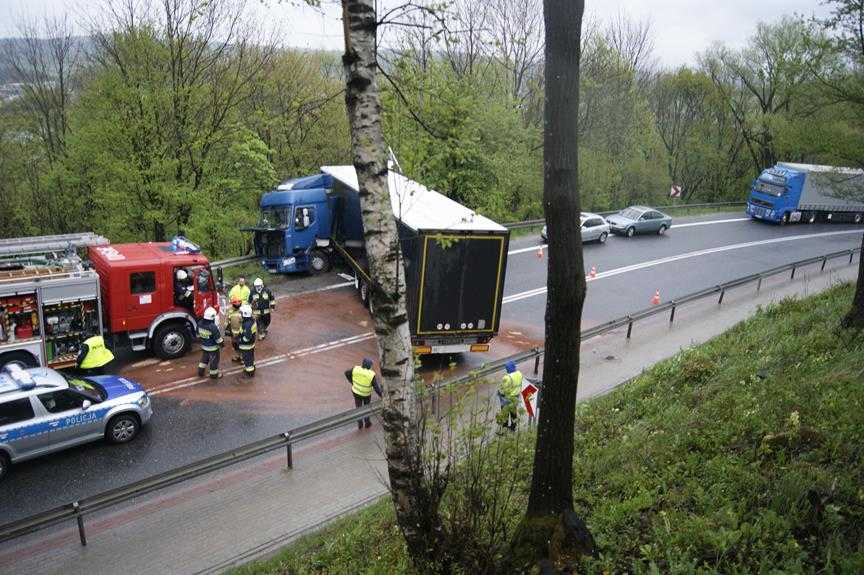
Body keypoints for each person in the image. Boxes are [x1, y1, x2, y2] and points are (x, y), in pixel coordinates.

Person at [344, 358, 382, 429]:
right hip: (366, 394)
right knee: (366, 408)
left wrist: (352, 382)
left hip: (356, 392)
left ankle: (360, 424)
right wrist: (382, 396)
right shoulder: (371, 374)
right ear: (370, 366)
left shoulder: (355, 369)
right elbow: (376, 388)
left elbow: (346, 373)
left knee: (358, 408)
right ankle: (367, 423)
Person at [197, 306, 223, 379]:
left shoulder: (199, 323)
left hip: (204, 346)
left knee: (204, 359)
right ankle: (214, 374)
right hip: (213, 348)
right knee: (214, 361)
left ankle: (200, 371)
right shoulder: (213, 327)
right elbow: (218, 339)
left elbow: (198, 335)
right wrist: (222, 345)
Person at [497, 360, 522, 432]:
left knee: (505, 414)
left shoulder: (507, 378)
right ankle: (513, 427)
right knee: (514, 413)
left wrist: (499, 393)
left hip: (507, 398)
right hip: (516, 397)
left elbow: (503, 390)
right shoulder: (519, 374)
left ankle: (504, 429)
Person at [238, 304, 257, 378]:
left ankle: (250, 372)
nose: (240, 315)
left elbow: (247, 337)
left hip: (246, 346)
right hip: (250, 345)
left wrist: (240, 340)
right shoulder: (250, 321)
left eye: (241, 313)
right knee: (250, 357)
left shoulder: (247, 325)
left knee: (247, 359)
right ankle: (252, 366)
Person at [226, 296, 244, 362]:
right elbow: (227, 320)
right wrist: (227, 329)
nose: (237, 305)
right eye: (235, 303)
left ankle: (243, 358)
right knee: (235, 345)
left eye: (238, 303)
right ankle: (238, 356)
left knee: (242, 345)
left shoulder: (243, 310)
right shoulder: (229, 310)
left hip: (241, 332)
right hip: (233, 332)